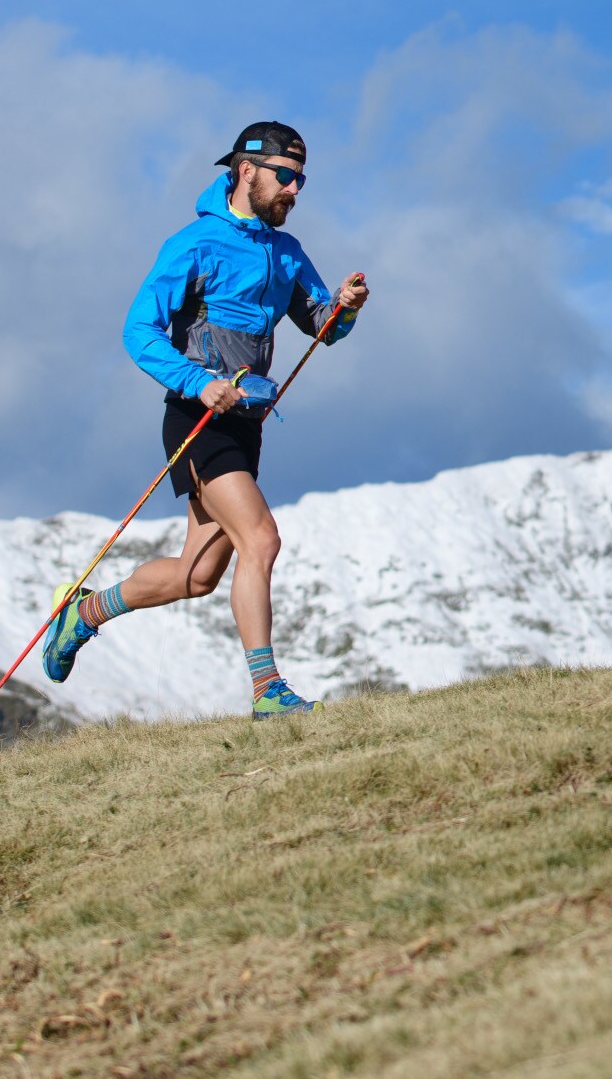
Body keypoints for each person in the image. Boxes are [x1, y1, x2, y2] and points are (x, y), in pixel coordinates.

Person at [38, 121, 368, 718]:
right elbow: (137, 331)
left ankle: (81, 614)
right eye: (286, 177)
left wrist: (342, 308)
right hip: (196, 419)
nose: (295, 190)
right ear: (247, 171)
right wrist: (200, 382)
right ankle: (269, 693)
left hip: (247, 423)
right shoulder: (192, 244)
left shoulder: (286, 251)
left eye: (302, 179)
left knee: (196, 578)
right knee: (261, 538)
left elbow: (322, 326)